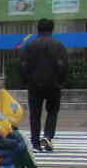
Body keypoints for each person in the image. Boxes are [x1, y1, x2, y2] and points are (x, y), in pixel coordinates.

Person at [18, 18, 69, 152]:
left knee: (35, 114)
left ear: (38, 29)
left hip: (34, 85)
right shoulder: (58, 45)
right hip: (53, 84)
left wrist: (26, 81)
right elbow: (63, 66)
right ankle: (48, 136)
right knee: (52, 111)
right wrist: (61, 81)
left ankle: (35, 143)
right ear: (52, 29)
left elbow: (23, 65)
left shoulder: (29, 45)